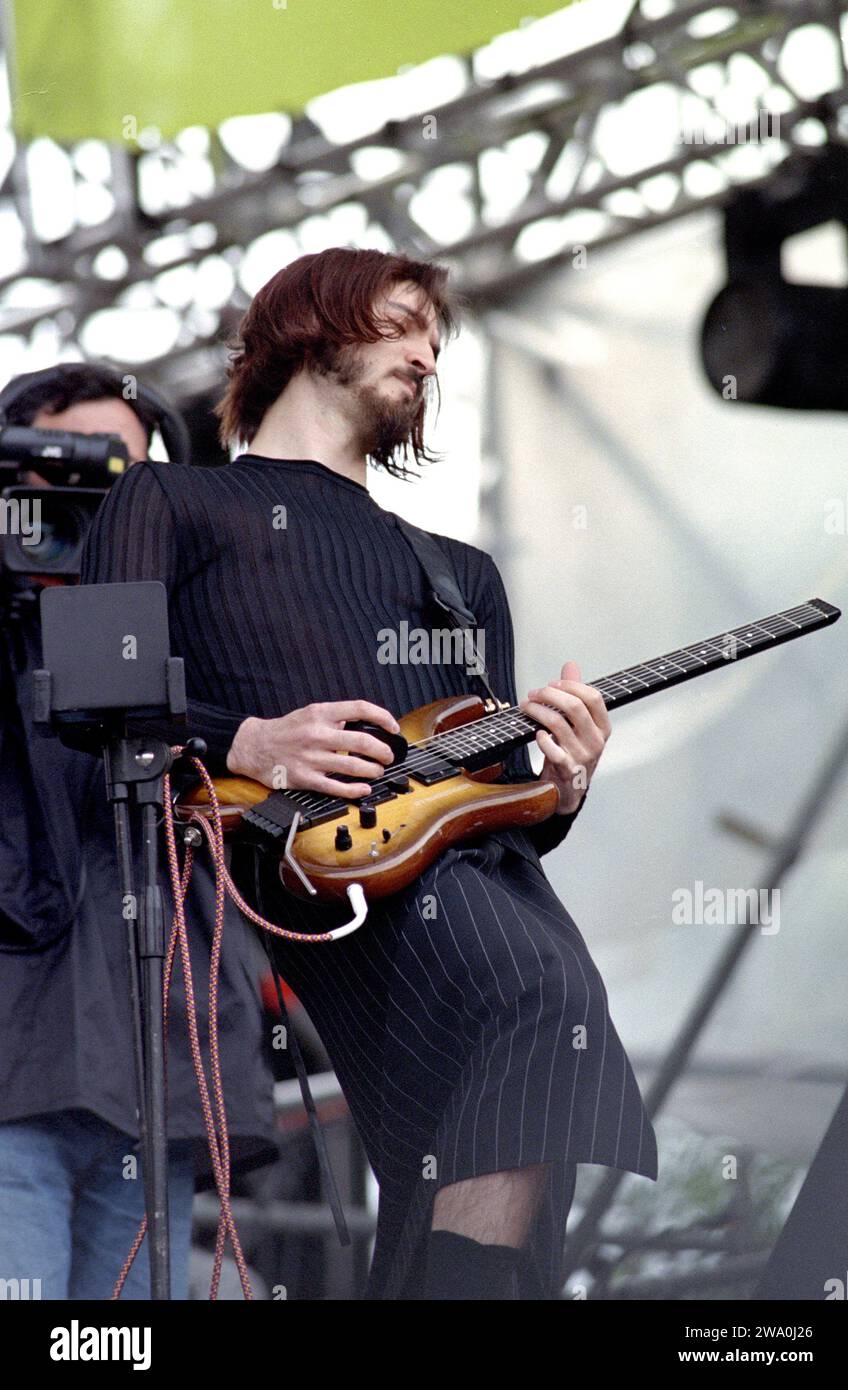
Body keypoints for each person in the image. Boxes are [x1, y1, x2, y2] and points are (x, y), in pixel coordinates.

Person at [81, 248, 658, 1301]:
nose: (426, 353)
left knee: (462, 1152)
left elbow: (493, 793)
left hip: (485, 881)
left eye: (436, 339)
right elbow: (88, 689)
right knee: (538, 996)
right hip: (317, 868)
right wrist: (244, 739)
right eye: (402, 323)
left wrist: (563, 784)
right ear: (311, 323)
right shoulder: (169, 500)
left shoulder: (459, 573)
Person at [0, 364, 275, 1301]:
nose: (106, 492)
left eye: (132, 472)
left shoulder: (185, 617)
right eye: (76, 462)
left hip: (149, 1064)